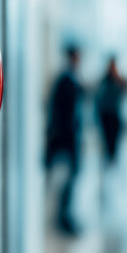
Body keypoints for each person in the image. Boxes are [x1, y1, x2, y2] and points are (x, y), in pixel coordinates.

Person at [45, 45, 83, 235]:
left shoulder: (71, 79)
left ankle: (64, 215)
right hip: (66, 137)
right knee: (67, 176)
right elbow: (59, 113)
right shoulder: (65, 80)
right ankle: (62, 216)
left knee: (71, 176)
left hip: (70, 136)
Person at [96, 57, 127, 163]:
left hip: (114, 114)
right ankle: (109, 157)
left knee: (114, 138)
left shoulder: (118, 80)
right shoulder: (104, 80)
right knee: (107, 138)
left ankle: (113, 157)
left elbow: (125, 90)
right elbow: (99, 97)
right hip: (106, 114)